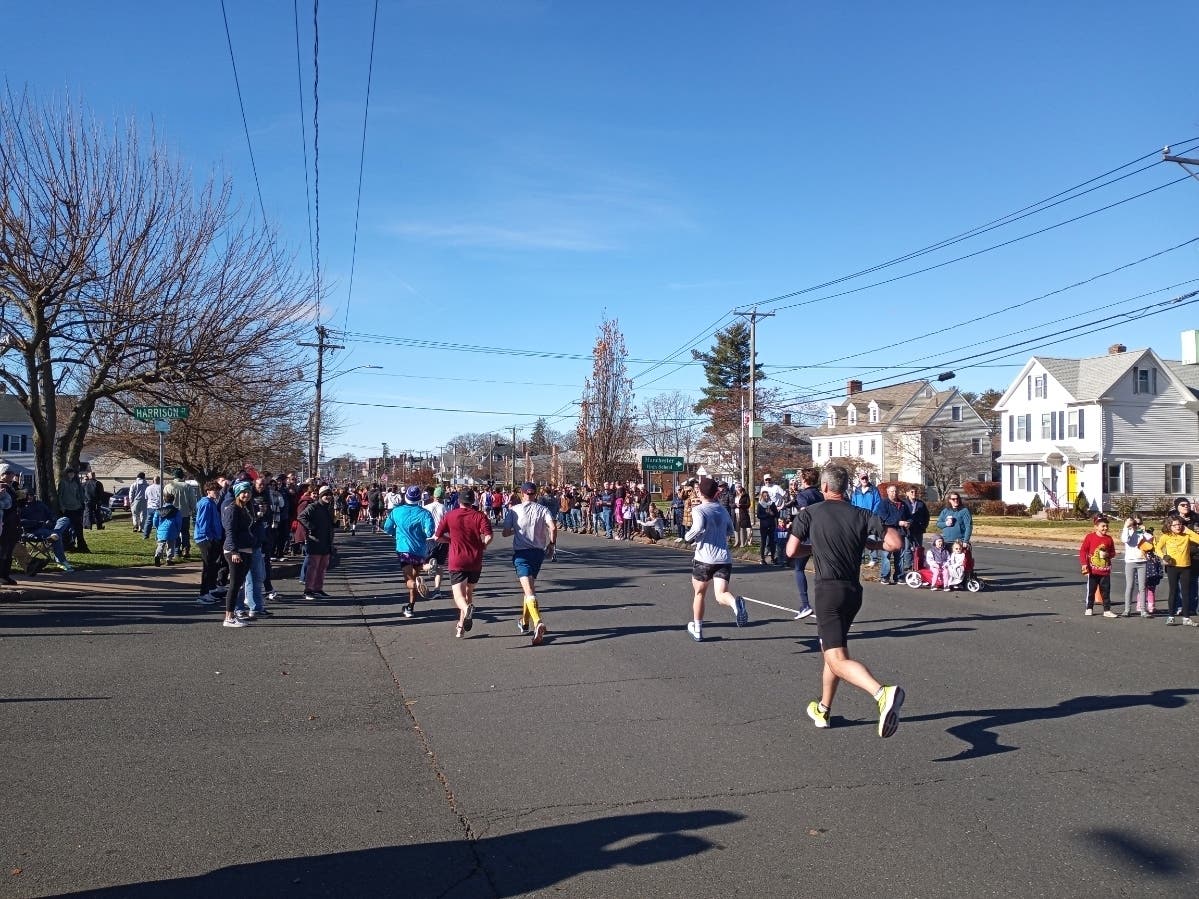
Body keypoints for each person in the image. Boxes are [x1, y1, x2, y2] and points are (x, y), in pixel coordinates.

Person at [785, 464, 906, 738]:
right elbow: (895, 544)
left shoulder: (809, 514)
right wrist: (870, 545)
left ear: (824, 487)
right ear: (846, 487)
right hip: (853, 592)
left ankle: (881, 693)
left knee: (837, 658)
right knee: (833, 651)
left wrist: (814, 547)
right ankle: (823, 709)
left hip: (828, 591)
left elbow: (791, 551)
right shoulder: (863, 514)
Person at [683, 476, 748, 642]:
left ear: (702, 493)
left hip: (704, 558)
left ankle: (697, 629)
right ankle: (735, 605)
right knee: (721, 594)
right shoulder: (722, 510)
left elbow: (696, 528)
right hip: (723, 558)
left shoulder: (699, 510)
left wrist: (687, 537)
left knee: (699, 594)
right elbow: (729, 531)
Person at [502, 481, 557, 645]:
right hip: (538, 554)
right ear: (535, 494)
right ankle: (524, 622)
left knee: (530, 591)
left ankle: (538, 621)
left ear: (522, 493)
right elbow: (553, 528)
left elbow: (505, 533)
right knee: (529, 589)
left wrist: (516, 530)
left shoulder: (514, 510)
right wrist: (552, 545)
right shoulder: (543, 509)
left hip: (522, 554)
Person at [435, 488, 494, 638]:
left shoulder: (450, 515)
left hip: (457, 559)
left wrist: (450, 540)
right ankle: (461, 626)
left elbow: (437, 537)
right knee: (469, 592)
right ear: (473, 501)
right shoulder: (480, 516)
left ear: (459, 501)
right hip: (475, 559)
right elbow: (489, 535)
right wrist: (484, 545)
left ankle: (467, 611)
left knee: (458, 595)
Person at [383, 485, 436, 618]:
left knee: (409, 579)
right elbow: (430, 532)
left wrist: (397, 534)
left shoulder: (396, 511)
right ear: (419, 499)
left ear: (406, 496)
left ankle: (416, 588)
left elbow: (387, 528)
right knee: (415, 573)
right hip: (420, 549)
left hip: (404, 548)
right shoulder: (425, 513)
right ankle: (410, 607)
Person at [220, 481, 255, 628]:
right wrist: (233, 551)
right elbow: (230, 531)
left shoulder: (245, 508)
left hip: (246, 548)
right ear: (237, 494)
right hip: (235, 550)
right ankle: (229, 617)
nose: (246, 495)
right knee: (234, 585)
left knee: (239, 584)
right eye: (243, 492)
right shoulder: (232, 509)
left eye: (248, 492)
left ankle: (233, 614)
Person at [1154, 515, 1199, 626]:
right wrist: (1164, 556)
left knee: (1186, 592)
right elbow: (1157, 548)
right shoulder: (1166, 536)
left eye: (1180, 524)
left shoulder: (1186, 535)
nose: (1178, 527)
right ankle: (1171, 616)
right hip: (1172, 567)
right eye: (1175, 525)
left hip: (1186, 567)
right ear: (1169, 526)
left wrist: (1189, 530)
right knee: (1173, 591)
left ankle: (1186, 618)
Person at [790, 468, 823, 618]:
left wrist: (796, 528)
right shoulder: (821, 495)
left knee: (799, 569)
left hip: (807, 537)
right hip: (821, 536)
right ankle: (826, 605)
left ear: (804, 480)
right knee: (822, 573)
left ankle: (805, 604)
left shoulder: (803, 495)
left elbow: (804, 514)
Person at [299, 485, 337, 601]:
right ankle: (308, 590)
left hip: (326, 541)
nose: (328, 497)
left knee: (322, 567)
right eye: (325, 495)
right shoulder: (314, 506)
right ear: (321, 496)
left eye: (329, 494)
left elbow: (331, 523)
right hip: (315, 541)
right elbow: (301, 516)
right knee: (313, 567)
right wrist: (312, 527)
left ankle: (318, 588)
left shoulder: (329, 508)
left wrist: (335, 523)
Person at [1079, 515, 1117, 617]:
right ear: (1096, 527)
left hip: (1105, 570)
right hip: (1093, 570)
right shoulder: (1090, 537)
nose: (1105, 528)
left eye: (1107, 526)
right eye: (1103, 526)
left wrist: (1108, 554)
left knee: (1106, 591)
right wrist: (1084, 564)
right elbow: (1083, 551)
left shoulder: (1109, 539)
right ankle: (1089, 608)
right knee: (1091, 590)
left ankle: (1107, 610)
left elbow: (1113, 553)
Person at [194, 481, 223, 606]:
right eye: (214, 490)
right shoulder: (206, 503)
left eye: (218, 490)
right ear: (208, 491)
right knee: (207, 567)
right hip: (205, 538)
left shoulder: (211, 503)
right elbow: (203, 522)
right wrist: (209, 537)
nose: (216, 492)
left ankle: (209, 591)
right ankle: (203, 594)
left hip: (211, 537)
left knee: (211, 566)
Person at [1120, 515, 1149, 617]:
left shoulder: (1141, 532)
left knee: (1142, 587)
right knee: (1130, 586)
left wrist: (1143, 530)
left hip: (1142, 561)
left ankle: (1143, 610)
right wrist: (1126, 526)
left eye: (1138, 523)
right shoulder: (1128, 531)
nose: (1136, 525)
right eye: (1134, 523)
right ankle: (1127, 610)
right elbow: (1125, 540)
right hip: (1130, 561)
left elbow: (1149, 541)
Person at [850, 474, 881, 566]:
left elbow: (878, 503)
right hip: (859, 517)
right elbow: (853, 503)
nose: (864, 480)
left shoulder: (874, 490)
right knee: (859, 537)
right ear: (860, 479)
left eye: (865, 478)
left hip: (870, 517)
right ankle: (861, 557)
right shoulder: (857, 491)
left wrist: (872, 514)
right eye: (862, 478)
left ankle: (873, 559)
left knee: (872, 537)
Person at [57, 467, 90, 553]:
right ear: (66, 474)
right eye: (70, 473)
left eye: (73, 473)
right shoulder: (63, 483)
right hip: (67, 509)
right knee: (67, 528)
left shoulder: (75, 484)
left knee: (78, 528)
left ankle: (80, 545)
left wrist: (81, 503)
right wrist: (62, 507)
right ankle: (68, 545)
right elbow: (60, 496)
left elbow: (79, 495)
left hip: (76, 508)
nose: (72, 475)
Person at [877, 485, 905, 585]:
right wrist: (898, 522)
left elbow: (908, 516)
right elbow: (884, 517)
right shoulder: (883, 504)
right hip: (888, 532)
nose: (894, 493)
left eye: (896, 491)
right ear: (888, 492)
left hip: (901, 532)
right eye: (892, 491)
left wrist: (908, 522)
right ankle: (885, 576)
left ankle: (899, 576)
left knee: (900, 556)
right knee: (886, 555)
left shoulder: (902, 504)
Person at [901, 486, 930, 572]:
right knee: (907, 548)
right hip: (908, 529)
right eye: (911, 492)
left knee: (918, 548)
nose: (914, 494)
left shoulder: (921, 503)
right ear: (907, 493)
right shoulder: (904, 503)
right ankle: (908, 565)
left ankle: (918, 564)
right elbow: (901, 515)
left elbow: (926, 516)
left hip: (918, 529)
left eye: (915, 492)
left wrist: (924, 526)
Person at [151, 500, 182, 566]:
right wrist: (178, 530)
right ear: (173, 500)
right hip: (172, 529)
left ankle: (157, 555)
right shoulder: (176, 511)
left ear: (164, 500)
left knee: (161, 544)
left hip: (161, 528)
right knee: (171, 545)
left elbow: (155, 520)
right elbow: (178, 522)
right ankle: (169, 559)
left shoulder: (159, 510)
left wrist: (157, 527)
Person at [756, 489, 778, 565]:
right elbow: (759, 515)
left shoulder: (772, 504)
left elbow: (776, 514)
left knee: (772, 542)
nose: (766, 497)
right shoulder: (760, 504)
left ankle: (773, 557)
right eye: (764, 496)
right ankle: (762, 558)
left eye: (767, 496)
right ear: (762, 497)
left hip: (771, 525)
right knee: (763, 542)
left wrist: (772, 513)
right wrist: (767, 514)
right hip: (764, 525)